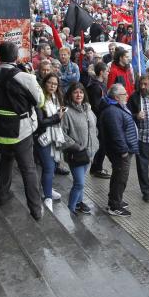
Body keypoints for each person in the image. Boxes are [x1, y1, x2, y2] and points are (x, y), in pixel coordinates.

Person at [0, 41, 44, 220]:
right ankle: (36, 209)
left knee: (6, 158)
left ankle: (2, 194)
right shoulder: (26, 78)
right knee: (28, 169)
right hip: (20, 131)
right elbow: (40, 101)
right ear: (17, 57)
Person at [99, 84, 139, 216]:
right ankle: (114, 206)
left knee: (119, 176)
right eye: (124, 94)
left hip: (124, 150)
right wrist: (123, 151)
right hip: (120, 152)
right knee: (120, 178)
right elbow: (116, 134)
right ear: (116, 97)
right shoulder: (112, 111)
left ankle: (116, 199)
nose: (127, 95)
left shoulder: (117, 107)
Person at [61, 82, 99, 215]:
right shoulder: (66, 112)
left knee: (81, 179)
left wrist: (95, 142)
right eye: (75, 92)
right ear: (70, 94)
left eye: (81, 92)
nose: (79, 94)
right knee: (79, 183)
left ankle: (79, 203)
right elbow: (61, 133)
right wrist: (76, 146)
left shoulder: (88, 109)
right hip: (76, 154)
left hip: (89, 152)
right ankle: (70, 208)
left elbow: (94, 127)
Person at [35, 73, 66, 211]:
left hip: (55, 136)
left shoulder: (56, 97)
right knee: (48, 167)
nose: (53, 86)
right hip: (43, 138)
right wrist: (56, 118)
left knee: (52, 166)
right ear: (44, 83)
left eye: (55, 84)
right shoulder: (40, 98)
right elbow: (40, 122)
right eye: (50, 83)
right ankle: (47, 197)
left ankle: (46, 188)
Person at [87, 62, 111, 179]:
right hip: (99, 120)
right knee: (102, 145)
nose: (108, 73)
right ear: (101, 72)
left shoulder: (100, 84)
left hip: (102, 118)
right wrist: (108, 106)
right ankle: (97, 168)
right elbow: (96, 106)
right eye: (106, 71)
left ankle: (96, 166)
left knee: (103, 144)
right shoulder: (96, 87)